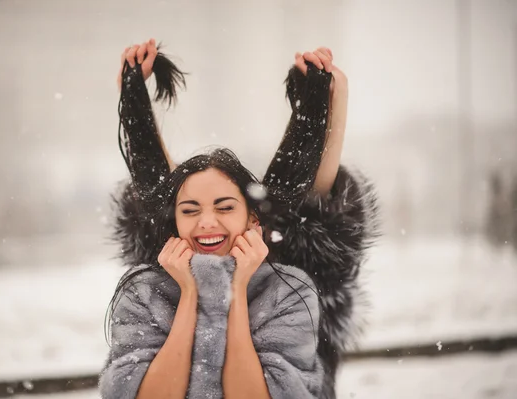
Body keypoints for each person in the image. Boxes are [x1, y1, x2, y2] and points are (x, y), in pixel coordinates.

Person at [99, 39, 378, 399]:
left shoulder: (289, 291)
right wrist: (188, 294)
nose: (206, 222)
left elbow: (314, 202)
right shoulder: (144, 292)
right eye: (190, 211)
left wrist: (332, 98)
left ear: (252, 220)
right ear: (174, 222)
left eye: (226, 207)